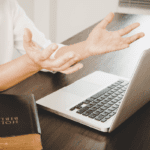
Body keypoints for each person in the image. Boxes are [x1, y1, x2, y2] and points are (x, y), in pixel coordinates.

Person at [0, 0, 145, 91]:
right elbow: (38, 59)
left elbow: (46, 51)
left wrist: (87, 47)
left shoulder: (8, 4)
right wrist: (32, 63)